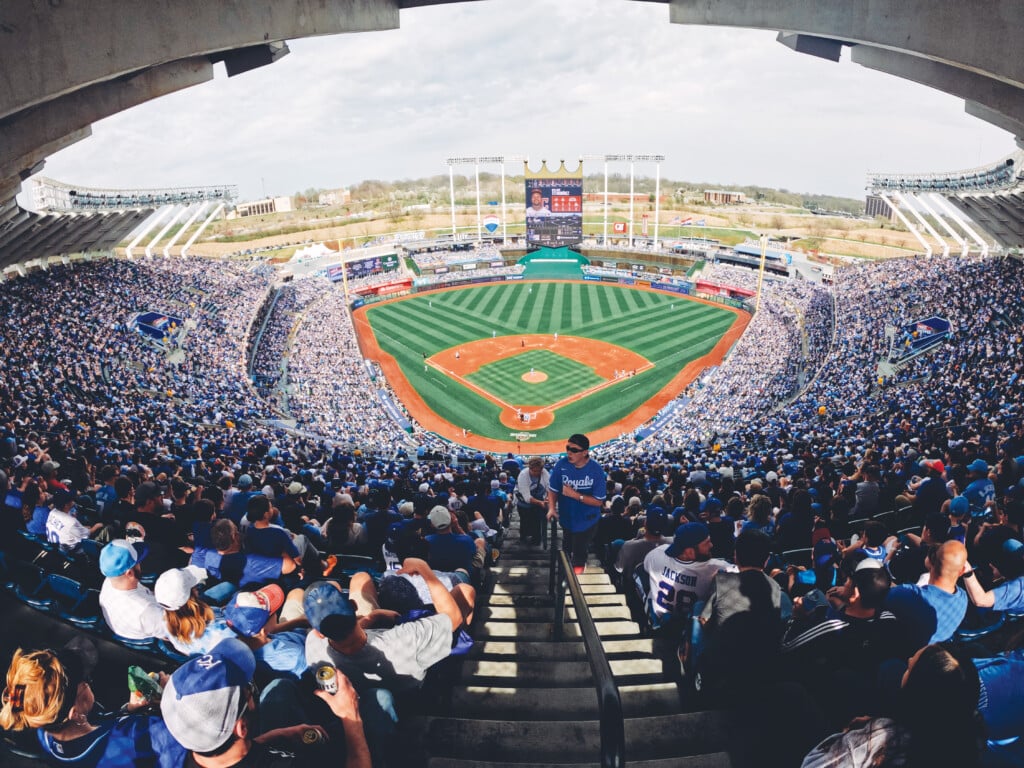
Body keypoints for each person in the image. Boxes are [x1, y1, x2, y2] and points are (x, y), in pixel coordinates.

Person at [161, 638, 370, 768]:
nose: (252, 690)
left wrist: (274, 736)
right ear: (241, 727)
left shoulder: (176, 756)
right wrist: (352, 717)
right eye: (249, 690)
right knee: (379, 701)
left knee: (282, 687)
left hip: (260, 748)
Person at [0, 637, 185, 768]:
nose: (89, 682)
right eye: (85, 683)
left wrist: (130, 710)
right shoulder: (136, 735)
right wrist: (172, 696)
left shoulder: (44, 729)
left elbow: (99, 721)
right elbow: (194, 741)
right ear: (73, 713)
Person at [800, 644, 983, 768]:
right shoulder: (969, 737)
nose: (909, 659)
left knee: (791, 694)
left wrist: (852, 736)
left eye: (910, 668)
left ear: (917, 693)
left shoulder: (881, 737)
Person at [547, 433, 607, 574]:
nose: (569, 452)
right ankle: (564, 571)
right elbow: (553, 489)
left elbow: (598, 501)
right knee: (566, 545)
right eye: (568, 448)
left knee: (580, 549)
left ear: (585, 452)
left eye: (574, 450)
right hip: (567, 519)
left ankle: (576, 576)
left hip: (587, 521)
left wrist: (575, 495)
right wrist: (551, 508)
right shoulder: (561, 465)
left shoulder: (596, 470)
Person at [154, 566, 237, 656]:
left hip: (202, 615)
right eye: (195, 587)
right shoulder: (220, 630)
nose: (197, 588)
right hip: (219, 636)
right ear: (194, 593)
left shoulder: (164, 618)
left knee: (229, 586)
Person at [98, 539, 168, 640]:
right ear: (129, 573)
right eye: (138, 562)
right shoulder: (148, 612)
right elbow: (172, 635)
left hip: (129, 626)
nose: (140, 564)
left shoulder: (111, 579)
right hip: (147, 632)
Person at [516, 457, 549, 545]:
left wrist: (547, 499)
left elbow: (549, 488)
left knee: (537, 522)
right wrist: (541, 503)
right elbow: (527, 497)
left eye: (539, 471)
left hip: (538, 503)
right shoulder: (523, 475)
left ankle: (536, 539)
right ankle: (523, 538)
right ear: (529, 468)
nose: (537, 473)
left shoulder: (545, 473)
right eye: (534, 471)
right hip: (524, 504)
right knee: (525, 522)